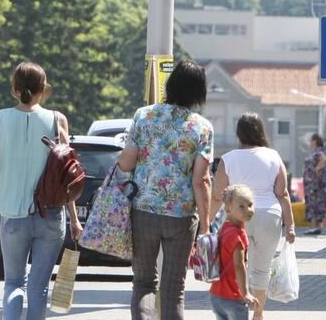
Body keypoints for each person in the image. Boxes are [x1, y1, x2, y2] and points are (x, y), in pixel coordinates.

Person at [0, 62, 83, 320]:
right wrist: (74, 218)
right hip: (50, 214)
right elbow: (67, 175)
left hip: (13, 214)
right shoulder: (57, 119)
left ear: (15, 89)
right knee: (38, 288)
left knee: (14, 283)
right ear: (44, 89)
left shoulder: (0, 118)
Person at [117, 59, 213, 320]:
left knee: (144, 283)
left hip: (144, 211)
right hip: (181, 217)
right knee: (174, 289)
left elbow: (127, 162)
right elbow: (201, 181)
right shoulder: (202, 127)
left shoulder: (143, 115)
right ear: (198, 92)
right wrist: (205, 225)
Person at [211, 112, 296, 320]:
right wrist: (291, 226)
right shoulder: (274, 156)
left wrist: (206, 223)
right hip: (270, 217)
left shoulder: (229, 159)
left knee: (238, 265)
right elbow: (283, 194)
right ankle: (258, 314)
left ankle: (240, 310)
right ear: (261, 130)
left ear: (239, 133)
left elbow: (217, 195)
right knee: (262, 268)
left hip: (238, 218)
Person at [210, 184, 259, 320]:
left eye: (250, 205)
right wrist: (245, 293)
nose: (248, 210)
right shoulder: (238, 236)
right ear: (228, 209)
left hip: (216, 295)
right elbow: (239, 266)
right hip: (233, 297)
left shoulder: (224, 227)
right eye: (241, 206)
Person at [303, 133, 326, 235]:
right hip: (312, 183)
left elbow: (324, 159)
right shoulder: (316, 152)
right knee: (314, 203)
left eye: (310, 140)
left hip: (314, 183)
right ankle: (316, 226)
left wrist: (317, 169)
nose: (309, 143)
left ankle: (314, 226)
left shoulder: (318, 152)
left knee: (314, 203)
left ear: (315, 141)